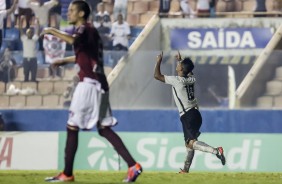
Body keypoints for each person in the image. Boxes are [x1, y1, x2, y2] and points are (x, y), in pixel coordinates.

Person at [41, 1, 142, 182]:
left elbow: (73, 41)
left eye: (72, 10)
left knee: (72, 126)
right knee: (103, 128)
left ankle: (67, 173)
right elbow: (84, 55)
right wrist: (64, 61)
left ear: (81, 14)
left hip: (88, 84)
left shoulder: (85, 29)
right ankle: (133, 166)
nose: (68, 13)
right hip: (100, 84)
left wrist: (52, 31)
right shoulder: (89, 32)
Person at [154, 51, 226, 173]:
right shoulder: (191, 79)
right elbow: (189, 72)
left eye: (179, 64)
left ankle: (216, 151)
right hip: (196, 114)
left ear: (181, 69)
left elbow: (157, 75)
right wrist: (180, 60)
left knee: (191, 143)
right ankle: (186, 170)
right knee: (189, 143)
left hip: (188, 115)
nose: (177, 65)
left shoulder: (176, 80)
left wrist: (158, 61)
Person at [19, 15, 39, 82]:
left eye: (31, 32)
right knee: (26, 78)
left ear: (32, 34)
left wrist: (37, 21)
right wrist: (21, 21)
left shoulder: (34, 39)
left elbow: (37, 30)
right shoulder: (24, 39)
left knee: (33, 78)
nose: (30, 33)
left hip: (33, 60)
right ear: (26, 34)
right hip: (26, 60)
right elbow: (20, 29)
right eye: (28, 32)